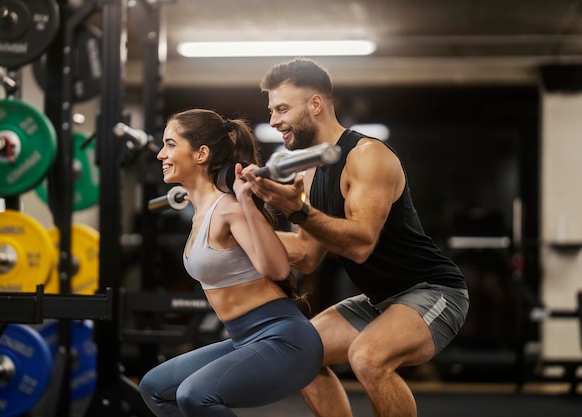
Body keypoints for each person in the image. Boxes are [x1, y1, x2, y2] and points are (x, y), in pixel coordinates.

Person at [241, 57, 470, 417]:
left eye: (282, 108)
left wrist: (297, 211)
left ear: (315, 104)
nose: (273, 121)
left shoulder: (367, 156)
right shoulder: (313, 172)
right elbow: (307, 253)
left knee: (367, 358)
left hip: (434, 290)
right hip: (381, 299)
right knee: (299, 354)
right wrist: (242, 225)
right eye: (272, 110)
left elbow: (361, 245)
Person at [138, 108, 324, 417]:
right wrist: (192, 195)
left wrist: (245, 201)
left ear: (201, 154)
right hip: (243, 338)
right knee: (154, 387)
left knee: (194, 395)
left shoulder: (229, 209)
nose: (161, 154)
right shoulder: (203, 210)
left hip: (285, 340)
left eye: (170, 144)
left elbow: (278, 269)